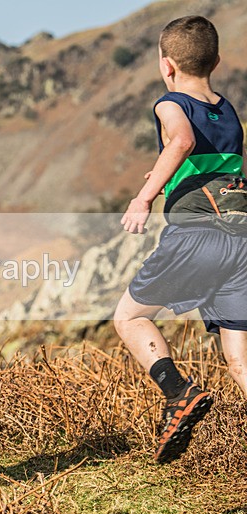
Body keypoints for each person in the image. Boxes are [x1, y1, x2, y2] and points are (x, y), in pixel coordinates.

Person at [115, 15, 247, 464]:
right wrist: (168, 178)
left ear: (166, 65)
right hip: (240, 242)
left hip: (197, 235)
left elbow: (183, 141)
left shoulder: (170, 104)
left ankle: (178, 391)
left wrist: (144, 197)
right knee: (240, 360)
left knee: (129, 318)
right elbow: (217, 164)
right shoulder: (227, 109)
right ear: (217, 61)